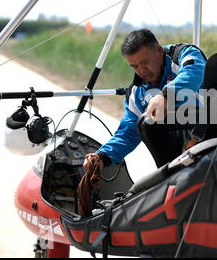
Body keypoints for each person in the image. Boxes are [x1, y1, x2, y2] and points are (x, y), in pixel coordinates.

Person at [83, 29, 207, 171]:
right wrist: (102, 157)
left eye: (145, 62)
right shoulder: (136, 94)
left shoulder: (183, 55)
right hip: (179, 159)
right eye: (134, 66)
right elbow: (128, 133)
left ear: (159, 51)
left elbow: (195, 71)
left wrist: (166, 95)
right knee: (144, 124)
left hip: (213, 133)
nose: (142, 71)